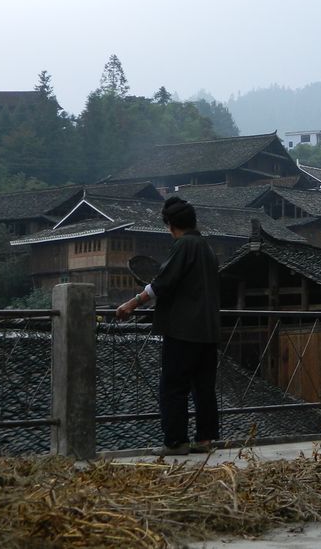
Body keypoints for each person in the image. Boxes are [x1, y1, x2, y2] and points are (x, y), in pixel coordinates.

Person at [117, 195, 221, 456]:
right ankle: (205, 439)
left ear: (170, 224)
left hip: (184, 329)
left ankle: (176, 441)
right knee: (204, 386)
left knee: (173, 385)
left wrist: (133, 303)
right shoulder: (206, 248)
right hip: (208, 330)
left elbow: (163, 283)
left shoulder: (184, 245)